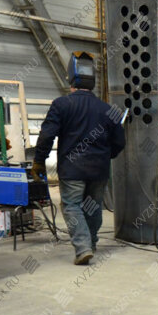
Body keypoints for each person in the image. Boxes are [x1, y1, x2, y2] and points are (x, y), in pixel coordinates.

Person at [33, 52, 125, 265]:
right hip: (99, 169)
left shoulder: (61, 105)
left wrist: (39, 161)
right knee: (93, 206)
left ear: (70, 78)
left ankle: (83, 247)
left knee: (72, 206)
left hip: (72, 168)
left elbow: (47, 135)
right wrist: (106, 156)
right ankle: (90, 244)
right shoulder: (109, 109)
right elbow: (120, 142)